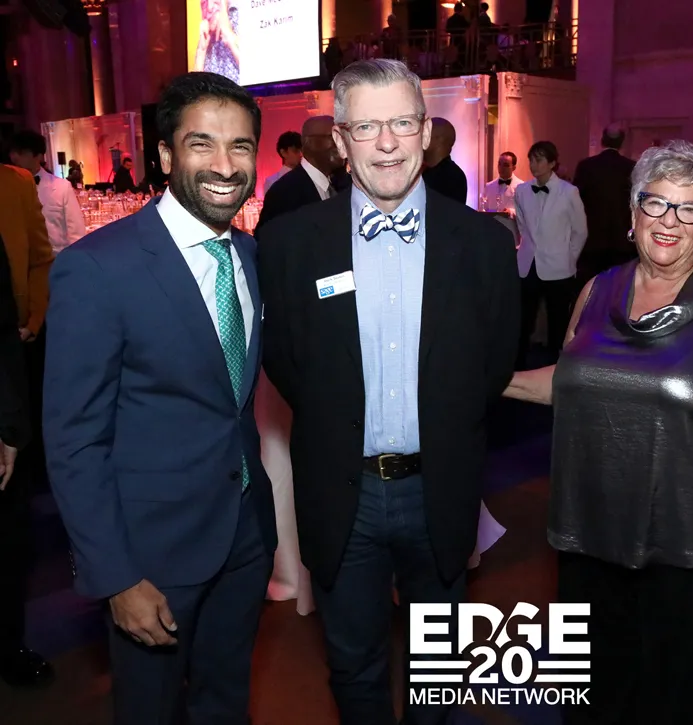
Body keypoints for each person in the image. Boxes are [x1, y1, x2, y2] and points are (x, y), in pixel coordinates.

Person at [256, 59, 519, 725]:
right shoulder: (288, 245)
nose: (387, 143)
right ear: (341, 142)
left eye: (402, 123)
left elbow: (493, 366)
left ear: (426, 133)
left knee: (440, 665)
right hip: (343, 492)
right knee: (353, 663)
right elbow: (287, 364)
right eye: (367, 127)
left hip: (442, 487)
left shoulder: (485, 245)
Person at [504, 141, 693, 725]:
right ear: (633, 210)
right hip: (588, 537)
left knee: (674, 706)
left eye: (689, 208)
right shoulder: (596, 291)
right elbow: (570, 383)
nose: (670, 220)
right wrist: (487, 381)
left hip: (688, 552)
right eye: (656, 203)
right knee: (592, 699)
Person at [43, 72, 276, 724]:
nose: (225, 165)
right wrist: (116, 575)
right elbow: (74, 438)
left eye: (240, 146)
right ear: (167, 155)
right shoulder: (99, 267)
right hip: (151, 555)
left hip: (245, 537)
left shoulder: (251, 256)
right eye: (202, 144)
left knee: (226, 702)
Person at [0, 162, 53, 689]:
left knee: (10, 529)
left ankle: (8, 642)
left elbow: (39, 261)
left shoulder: (13, 184)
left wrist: (33, 319)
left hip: (10, 366)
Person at [514, 140, 587, 366]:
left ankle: (556, 365)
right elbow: (522, 225)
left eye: (539, 160)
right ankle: (518, 366)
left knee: (558, 320)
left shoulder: (569, 192)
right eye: (531, 160)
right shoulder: (522, 190)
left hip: (559, 266)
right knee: (523, 319)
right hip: (528, 264)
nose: (533, 165)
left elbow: (580, 231)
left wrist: (568, 258)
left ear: (552, 163)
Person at [572, 124, 637, 282]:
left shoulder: (586, 166)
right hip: (622, 241)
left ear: (602, 140)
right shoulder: (631, 167)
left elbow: (575, 202)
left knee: (590, 287)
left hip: (592, 240)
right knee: (618, 287)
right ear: (622, 142)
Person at [8, 130, 87, 254]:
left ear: (39, 156)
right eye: (12, 152)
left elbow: (76, 233)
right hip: (19, 260)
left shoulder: (62, 187)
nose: (14, 157)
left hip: (55, 258)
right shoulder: (7, 187)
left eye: (21, 153)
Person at [257, 116, 338, 231]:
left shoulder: (339, 184)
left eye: (343, 138)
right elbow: (268, 237)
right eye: (333, 138)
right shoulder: (284, 192)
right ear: (309, 143)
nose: (340, 145)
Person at [421, 117, 468, 204]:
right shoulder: (424, 172)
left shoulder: (452, 177)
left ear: (439, 139)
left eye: (424, 135)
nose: (419, 140)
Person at [262, 130, 303, 195]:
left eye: (302, 151)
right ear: (283, 152)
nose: (301, 155)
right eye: (295, 151)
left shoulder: (308, 179)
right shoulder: (272, 182)